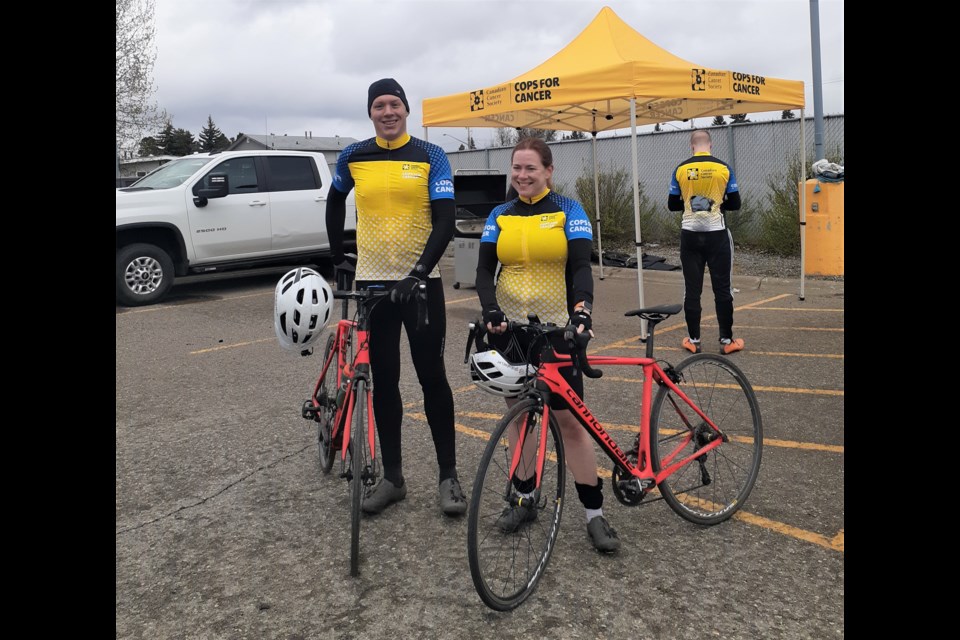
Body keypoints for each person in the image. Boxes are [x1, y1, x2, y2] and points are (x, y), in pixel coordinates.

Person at [324, 78, 467, 517]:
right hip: (374, 287)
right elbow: (334, 200)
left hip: (421, 286)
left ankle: (449, 478)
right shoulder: (354, 155)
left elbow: (445, 221)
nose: (388, 112)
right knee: (384, 383)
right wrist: (337, 255)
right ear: (370, 113)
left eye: (395, 104)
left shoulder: (431, 155)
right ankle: (393, 478)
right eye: (379, 106)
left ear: (406, 109)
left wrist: (418, 272)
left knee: (432, 380)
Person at [474, 137, 621, 553]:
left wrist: (582, 312)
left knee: (569, 423)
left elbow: (580, 266)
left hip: (558, 329)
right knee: (519, 417)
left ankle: (594, 513)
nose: (522, 176)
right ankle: (524, 498)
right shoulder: (500, 213)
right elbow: (485, 270)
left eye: (530, 169)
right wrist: (490, 310)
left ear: (548, 171)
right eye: (516, 168)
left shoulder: (568, 210)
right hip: (510, 331)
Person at [667, 129, 744, 355]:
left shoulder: (680, 169)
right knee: (723, 289)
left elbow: (672, 205)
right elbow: (736, 203)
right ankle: (727, 340)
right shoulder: (724, 168)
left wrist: (691, 204)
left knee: (692, 290)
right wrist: (715, 204)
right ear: (710, 145)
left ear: (692, 147)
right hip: (717, 234)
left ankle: (693, 340)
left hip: (689, 234)